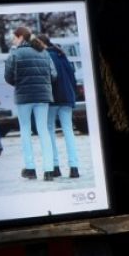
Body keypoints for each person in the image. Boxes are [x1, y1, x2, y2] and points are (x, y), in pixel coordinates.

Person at [3, 26, 57, 179]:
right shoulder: (44, 52)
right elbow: (53, 75)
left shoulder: (15, 54)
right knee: (43, 130)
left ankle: (30, 168)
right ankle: (48, 170)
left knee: (25, 130)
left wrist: (19, 83)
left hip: (24, 97)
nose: (13, 41)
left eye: (14, 37)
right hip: (42, 96)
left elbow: (8, 77)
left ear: (20, 37)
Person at [40, 34, 81, 180]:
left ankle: (55, 166)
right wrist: (72, 96)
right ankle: (74, 167)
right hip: (67, 98)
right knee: (68, 131)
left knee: (49, 130)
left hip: (52, 99)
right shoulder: (61, 55)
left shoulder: (44, 57)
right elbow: (72, 77)